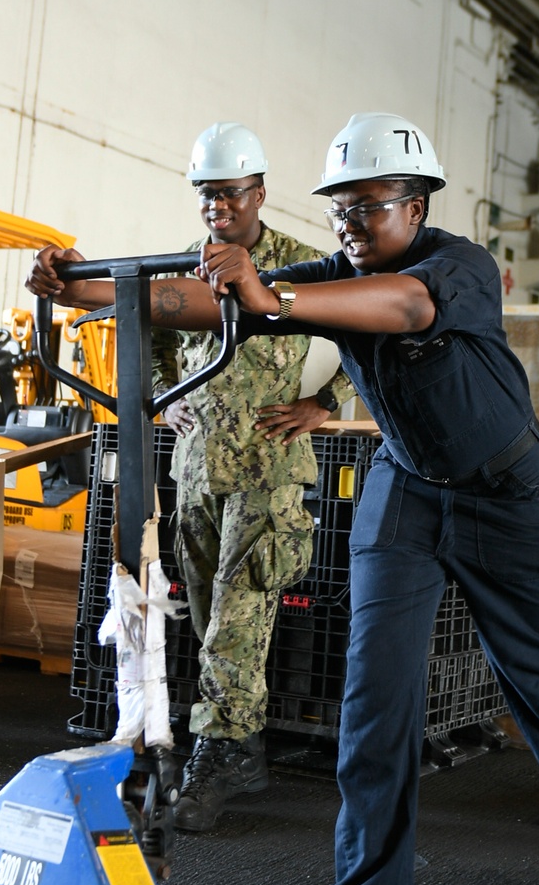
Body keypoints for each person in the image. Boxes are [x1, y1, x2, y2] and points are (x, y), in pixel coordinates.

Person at [27, 111, 539, 885]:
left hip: (504, 490)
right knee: (374, 693)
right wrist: (87, 291)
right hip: (408, 490)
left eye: (372, 206)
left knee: (534, 675)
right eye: (341, 209)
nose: (352, 224)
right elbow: (205, 301)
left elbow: (404, 306)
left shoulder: (455, 267)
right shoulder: (328, 274)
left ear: (417, 206)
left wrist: (273, 296)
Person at [35, 121, 353, 830]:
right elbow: (150, 340)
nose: (218, 208)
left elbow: (362, 336)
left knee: (236, 618)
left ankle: (223, 746)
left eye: (231, 195)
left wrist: (324, 402)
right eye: (207, 196)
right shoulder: (177, 271)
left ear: (259, 193)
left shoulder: (302, 267)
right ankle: (241, 743)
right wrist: (164, 396)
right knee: (212, 615)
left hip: (269, 468)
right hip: (200, 466)